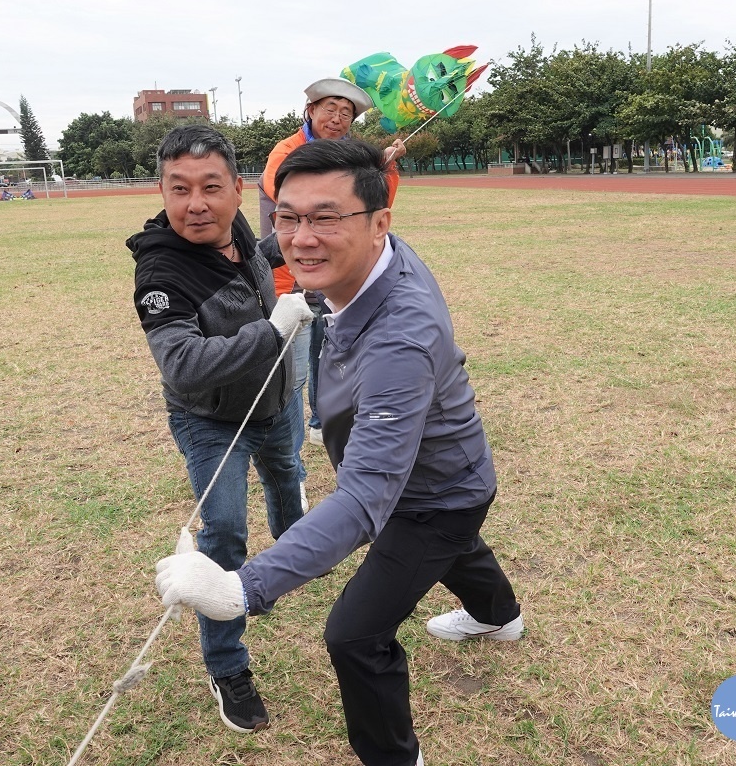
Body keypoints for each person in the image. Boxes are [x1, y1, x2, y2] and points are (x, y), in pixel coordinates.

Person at [156, 139, 522, 766]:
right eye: (289, 217)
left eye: (326, 217)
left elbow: (365, 497)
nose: (301, 238)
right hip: (448, 475)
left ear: (380, 222)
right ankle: (500, 616)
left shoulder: (401, 339)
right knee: (456, 547)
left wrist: (243, 588)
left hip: (432, 495)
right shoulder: (374, 265)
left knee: (354, 633)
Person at [127, 125, 312, 734]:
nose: (195, 203)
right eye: (179, 189)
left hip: (277, 401)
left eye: (211, 187)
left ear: (238, 188)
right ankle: (228, 666)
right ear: (161, 191)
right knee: (225, 534)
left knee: (288, 476)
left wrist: (292, 248)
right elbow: (181, 361)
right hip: (211, 422)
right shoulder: (160, 273)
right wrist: (273, 329)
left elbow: (256, 256)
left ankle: (295, 557)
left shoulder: (234, 232)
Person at [257, 77, 407, 491]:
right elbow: (287, 193)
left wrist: (383, 166)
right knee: (295, 358)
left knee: (334, 347)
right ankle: (285, 439)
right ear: (310, 111)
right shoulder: (287, 151)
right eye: (330, 109)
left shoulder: (354, 158)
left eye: (346, 113)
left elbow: (378, 202)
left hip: (337, 273)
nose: (338, 118)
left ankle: (322, 421)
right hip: (289, 276)